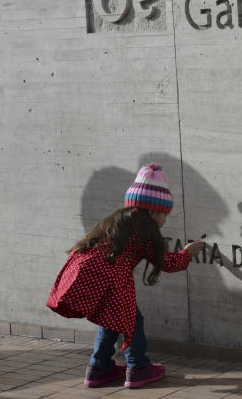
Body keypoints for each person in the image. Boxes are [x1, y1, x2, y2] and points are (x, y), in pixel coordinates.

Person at [46, 163, 206, 389]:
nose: (165, 220)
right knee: (132, 321)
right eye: (164, 214)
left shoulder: (120, 219)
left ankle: (98, 367)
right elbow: (167, 263)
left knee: (110, 318)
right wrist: (187, 253)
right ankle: (138, 367)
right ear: (151, 210)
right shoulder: (145, 229)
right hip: (112, 275)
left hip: (88, 268)